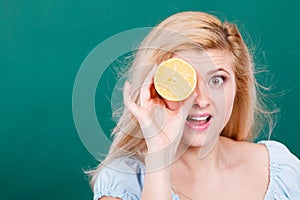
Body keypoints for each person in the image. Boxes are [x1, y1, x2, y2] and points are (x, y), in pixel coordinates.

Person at [88, 11, 300, 200]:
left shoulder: (279, 167)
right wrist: (159, 156)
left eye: (217, 80)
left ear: (238, 87)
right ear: (153, 89)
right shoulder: (123, 182)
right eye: (182, 80)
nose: (201, 100)